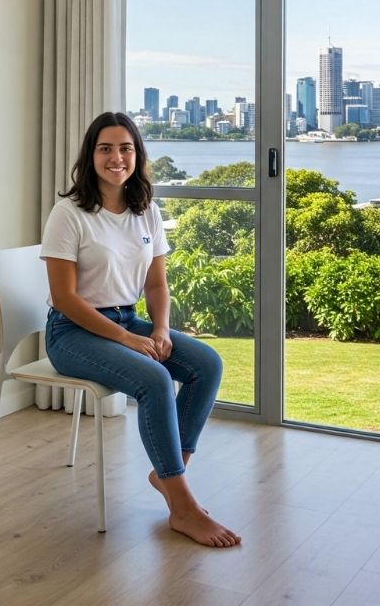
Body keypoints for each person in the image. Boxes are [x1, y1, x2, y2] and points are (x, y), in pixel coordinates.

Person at [41, 111, 241, 548]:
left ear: (137, 155)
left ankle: (170, 472)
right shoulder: (69, 213)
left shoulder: (145, 209)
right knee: (153, 379)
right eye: (106, 148)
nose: (116, 157)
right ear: (90, 156)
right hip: (72, 333)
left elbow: (155, 283)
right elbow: (64, 299)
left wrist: (162, 329)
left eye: (125, 148)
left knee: (206, 363)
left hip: (127, 318)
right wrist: (129, 340)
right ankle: (181, 505)